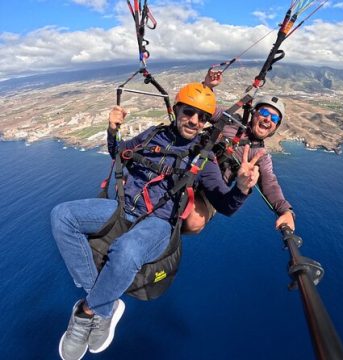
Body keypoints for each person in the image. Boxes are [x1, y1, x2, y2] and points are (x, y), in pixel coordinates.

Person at [51, 82, 262, 360]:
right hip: (122, 207)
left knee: (126, 251)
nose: (194, 121)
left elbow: (226, 205)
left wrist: (242, 188)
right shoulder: (154, 135)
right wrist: (112, 129)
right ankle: (104, 304)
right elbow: (119, 152)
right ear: (176, 111)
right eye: (189, 112)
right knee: (62, 215)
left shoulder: (204, 157)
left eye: (202, 117)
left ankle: (87, 313)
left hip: (158, 222)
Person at [187, 70, 295, 233]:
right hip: (190, 162)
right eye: (264, 113)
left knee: (194, 222)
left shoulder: (261, 157)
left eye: (274, 119)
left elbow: (270, 185)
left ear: (275, 127)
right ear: (254, 114)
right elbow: (206, 108)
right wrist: (207, 86)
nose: (268, 119)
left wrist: (286, 212)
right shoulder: (232, 121)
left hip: (211, 189)